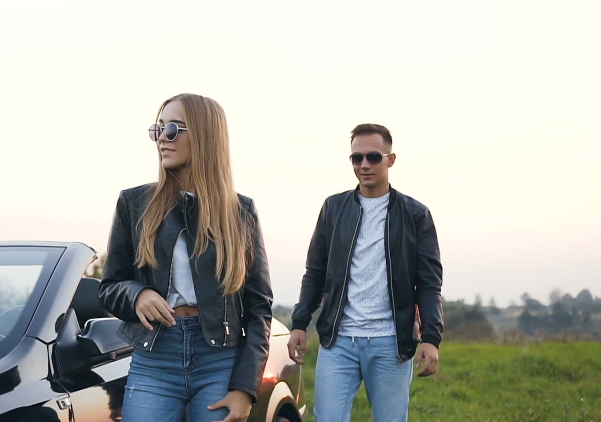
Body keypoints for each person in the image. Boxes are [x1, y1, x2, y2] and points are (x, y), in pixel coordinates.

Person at [100, 94, 273, 422]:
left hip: (220, 360)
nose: (162, 139)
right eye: (158, 129)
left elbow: (258, 307)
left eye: (173, 129)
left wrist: (245, 387)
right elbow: (109, 286)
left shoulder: (240, 212)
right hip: (155, 357)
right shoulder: (134, 203)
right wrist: (138, 294)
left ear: (206, 136)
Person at [287, 123, 443, 422]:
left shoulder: (415, 214)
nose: (364, 165)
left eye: (373, 157)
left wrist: (431, 338)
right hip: (339, 341)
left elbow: (429, 284)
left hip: (391, 344)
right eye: (356, 158)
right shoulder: (333, 208)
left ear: (391, 159)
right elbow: (315, 273)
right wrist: (299, 323)